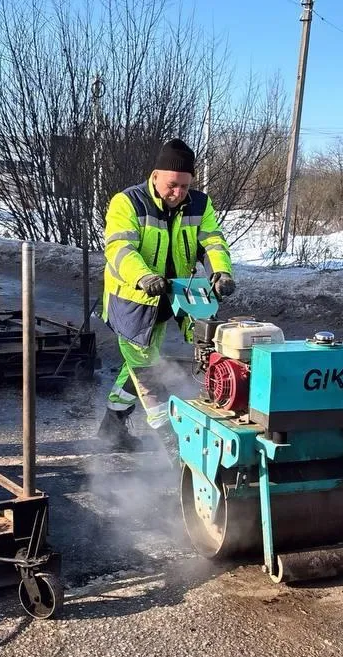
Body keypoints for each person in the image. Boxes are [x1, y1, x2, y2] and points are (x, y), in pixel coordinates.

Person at [97, 138, 236, 451]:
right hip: (134, 300)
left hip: (177, 296)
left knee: (148, 360)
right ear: (155, 176)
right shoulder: (128, 202)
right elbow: (120, 248)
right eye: (173, 185)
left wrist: (221, 272)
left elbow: (212, 241)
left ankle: (112, 425)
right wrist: (144, 276)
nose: (178, 193)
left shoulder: (199, 204)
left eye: (185, 187)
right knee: (146, 369)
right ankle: (177, 448)